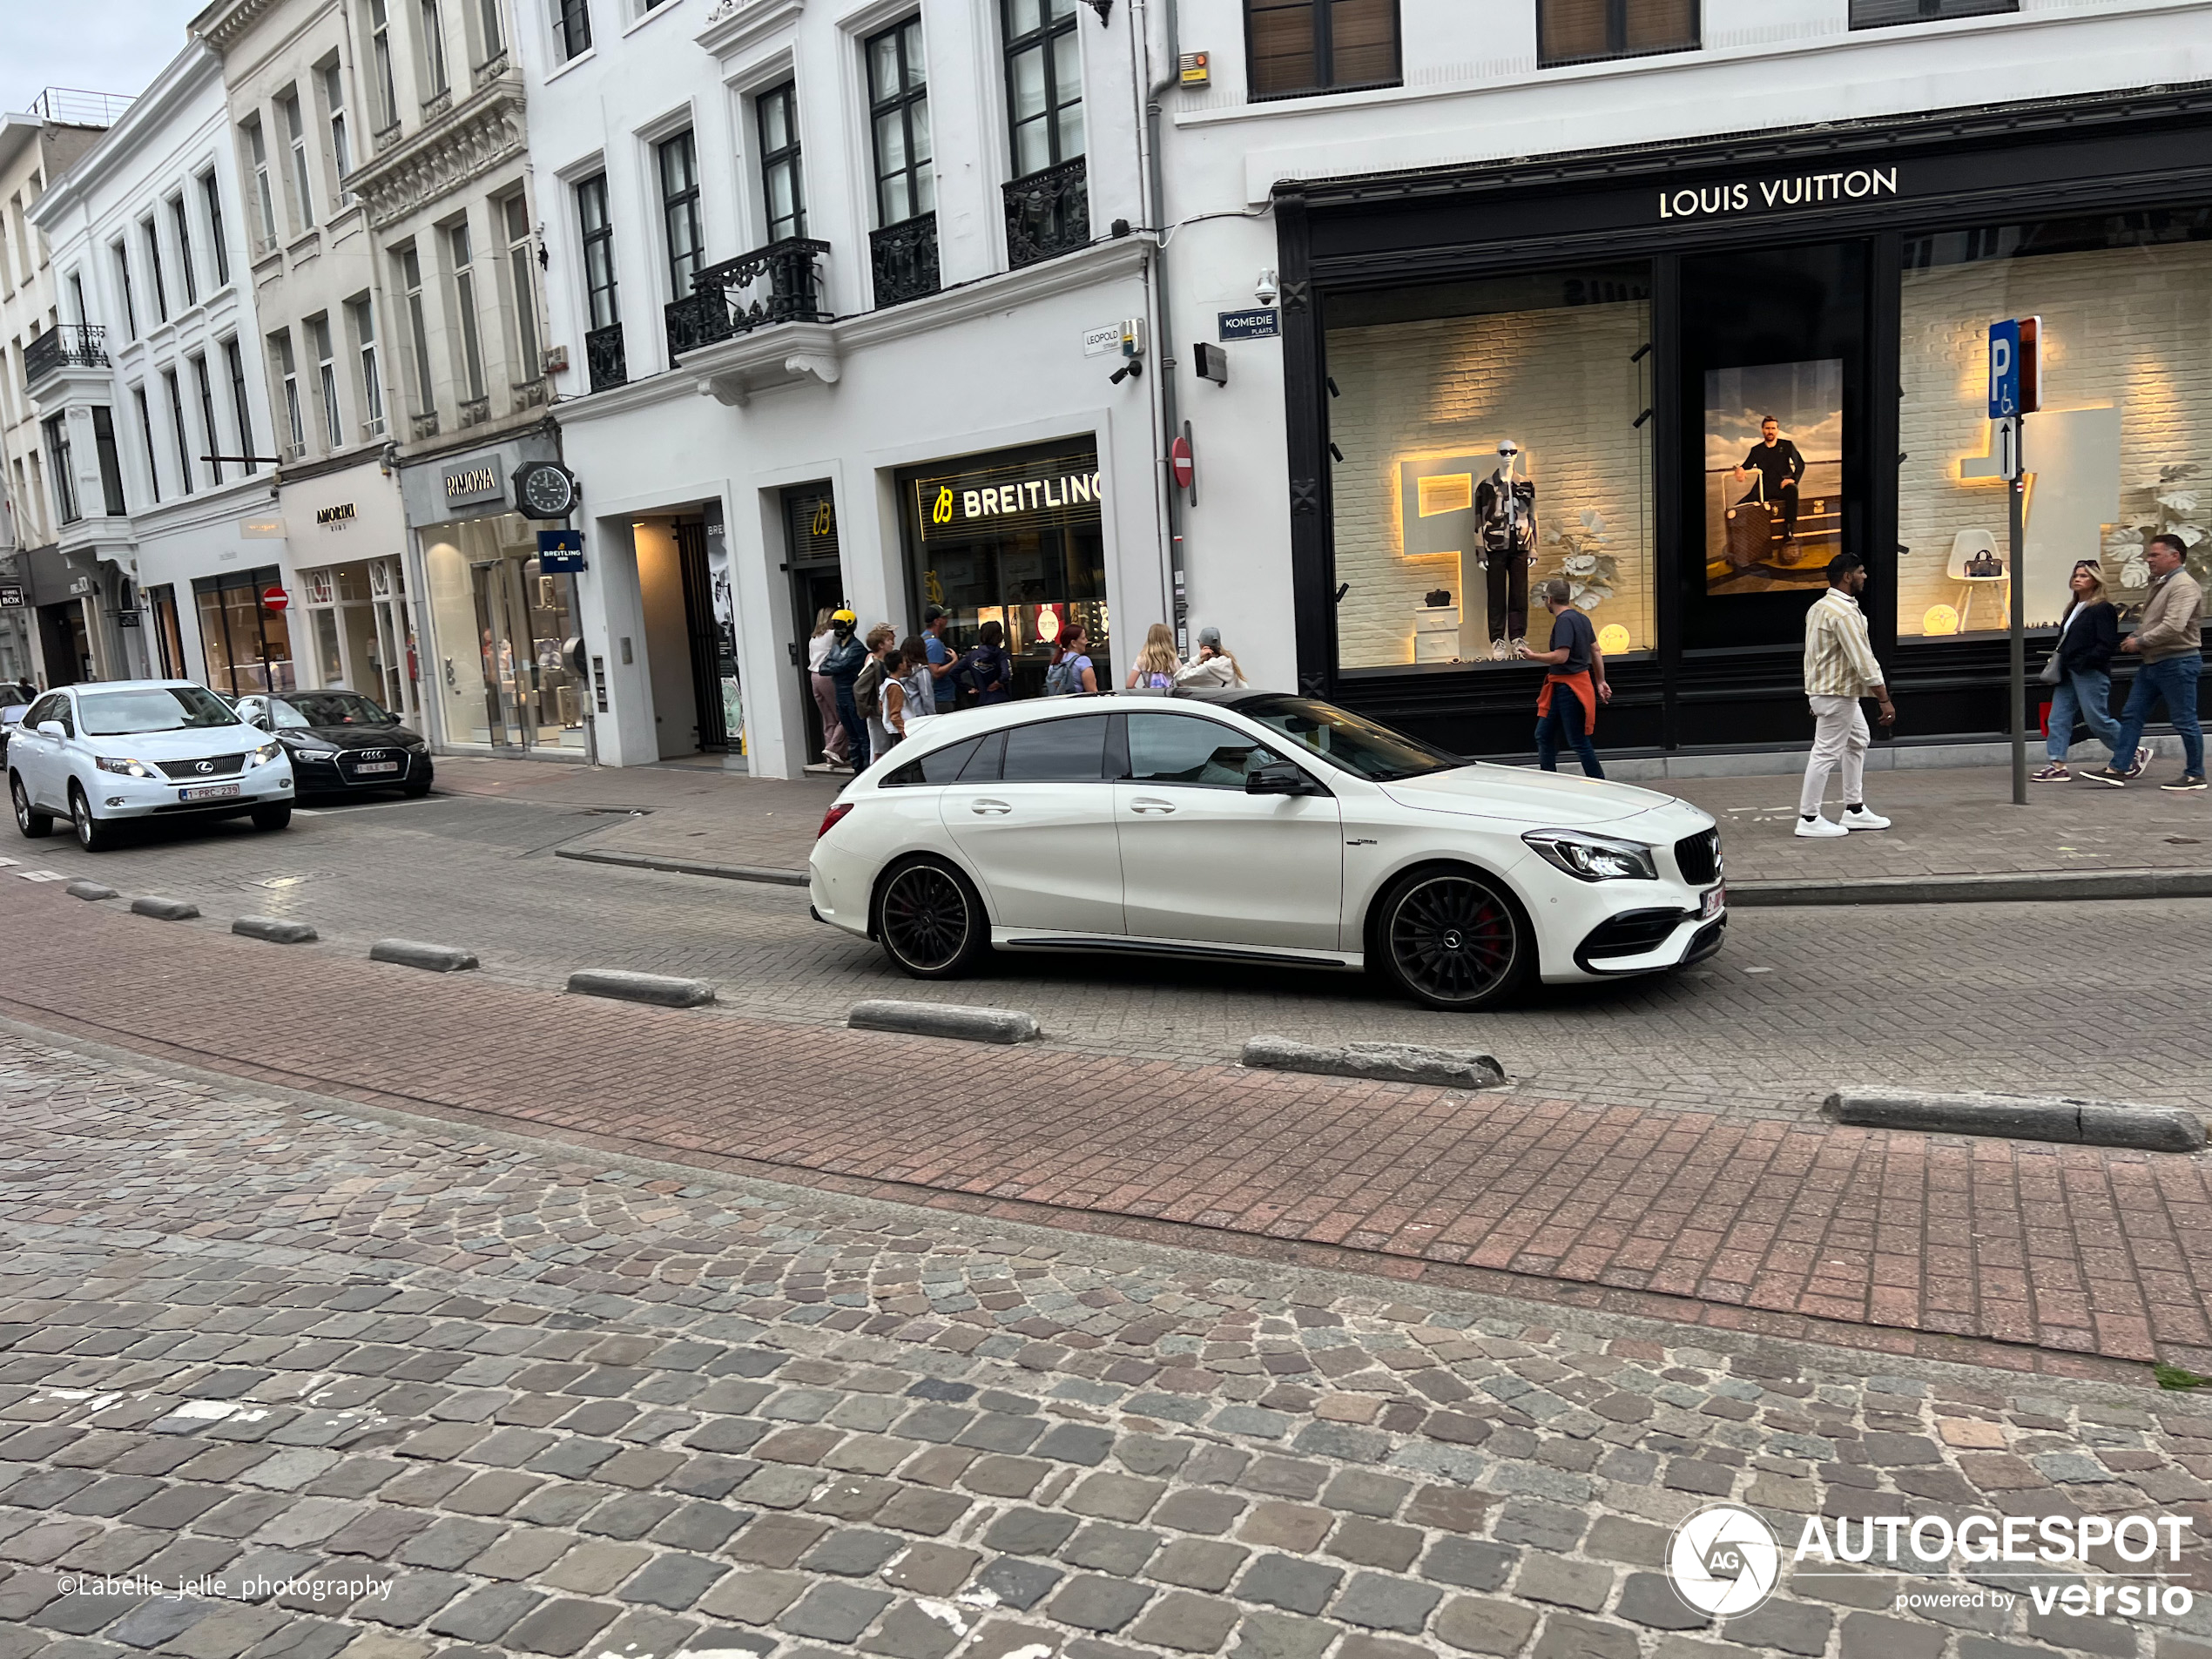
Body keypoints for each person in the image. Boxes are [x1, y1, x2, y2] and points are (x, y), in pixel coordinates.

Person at [2083, 533, 2205, 789]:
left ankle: (2195, 775)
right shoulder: (2161, 583)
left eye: (2154, 555)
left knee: (2184, 720)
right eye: (2149, 554)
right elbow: (2155, 621)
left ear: (2175, 556)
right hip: (2154, 662)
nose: (2148, 559)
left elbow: (2173, 626)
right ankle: (2119, 768)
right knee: (2131, 714)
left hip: (2177, 662)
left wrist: (2139, 642)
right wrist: (2138, 634)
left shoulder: (2183, 585)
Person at [1796, 551, 1894, 837]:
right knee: (1825, 752)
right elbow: (1863, 658)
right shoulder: (1843, 613)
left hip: (1832, 692)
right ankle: (1809, 818)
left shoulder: (1819, 607)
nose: (1865, 576)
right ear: (1847, 576)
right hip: (1836, 693)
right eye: (1861, 572)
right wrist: (1883, 698)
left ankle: (1855, 810)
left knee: (1858, 741)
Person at [2032, 563, 2138, 783]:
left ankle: (2133, 752)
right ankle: (2057, 765)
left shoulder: (2102, 608)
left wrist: (2085, 661)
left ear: (2095, 581)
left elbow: (2107, 643)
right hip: (2068, 671)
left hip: (2089, 672)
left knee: (2096, 719)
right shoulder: (2073, 608)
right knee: (2058, 718)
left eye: (2084, 576)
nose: (2078, 579)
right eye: (2076, 575)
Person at [1516, 579, 1610, 777]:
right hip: (1568, 686)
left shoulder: (1564, 622)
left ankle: (1600, 782)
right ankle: (1550, 780)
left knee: (1577, 740)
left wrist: (1533, 656)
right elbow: (1596, 650)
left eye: (1544, 599)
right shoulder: (1582, 619)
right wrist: (1600, 681)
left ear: (1549, 599)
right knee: (1544, 735)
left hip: (1569, 687)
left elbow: (1561, 656)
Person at [1733, 415, 1805, 545]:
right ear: (1762, 430)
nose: (1770, 431)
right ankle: (1739, 540)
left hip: (1783, 486)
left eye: (1773, 428)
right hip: (1763, 487)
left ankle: (1788, 531)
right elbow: (1746, 466)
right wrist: (1739, 469)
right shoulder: (1756, 450)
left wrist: (1793, 479)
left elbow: (1800, 464)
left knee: (1793, 490)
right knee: (1737, 508)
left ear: (1777, 430)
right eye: (1767, 428)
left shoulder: (1787, 445)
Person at [819, 610, 868, 771]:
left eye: (840, 624)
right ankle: (857, 772)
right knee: (853, 738)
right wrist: (836, 666)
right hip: (841, 695)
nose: (837, 628)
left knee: (862, 737)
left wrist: (835, 666)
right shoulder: (837, 647)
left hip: (853, 695)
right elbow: (823, 667)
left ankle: (865, 772)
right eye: (835, 624)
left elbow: (839, 666)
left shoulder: (857, 648)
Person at [806, 607, 848, 765]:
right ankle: (834, 749)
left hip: (814, 677)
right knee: (844, 715)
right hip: (827, 677)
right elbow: (845, 631)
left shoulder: (813, 639)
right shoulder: (831, 636)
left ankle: (830, 759)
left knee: (829, 719)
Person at [868, 642, 908, 763]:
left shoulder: (886, 683)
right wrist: (903, 731)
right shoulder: (895, 687)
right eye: (904, 662)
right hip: (898, 730)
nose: (906, 664)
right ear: (900, 665)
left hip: (892, 729)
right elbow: (895, 713)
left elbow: (882, 706)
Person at [959, 620, 1013, 705]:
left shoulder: (972, 655)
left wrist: (967, 688)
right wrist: (998, 682)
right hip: (1000, 699)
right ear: (1000, 636)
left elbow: (953, 673)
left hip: (981, 699)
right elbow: (1006, 674)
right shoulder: (1001, 655)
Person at [1175, 626, 1247, 689]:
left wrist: (1198, 658)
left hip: (1212, 704)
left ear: (1202, 645)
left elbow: (1179, 676)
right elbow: (1244, 688)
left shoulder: (1206, 669)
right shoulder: (1230, 663)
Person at [1046, 623, 1097, 695]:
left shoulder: (1055, 663)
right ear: (1073, 643)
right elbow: (1092, 691)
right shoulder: (1082, 661)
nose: (1086, 641)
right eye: (1083, 638)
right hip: (1076, 704)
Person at [1125, 624, 1181, 690]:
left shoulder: (1141, 659)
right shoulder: (1172, 659)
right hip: (1167, 697)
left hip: (1150, 697)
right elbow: (1183, 683)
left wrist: (1143, 696)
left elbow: (1129, 685)